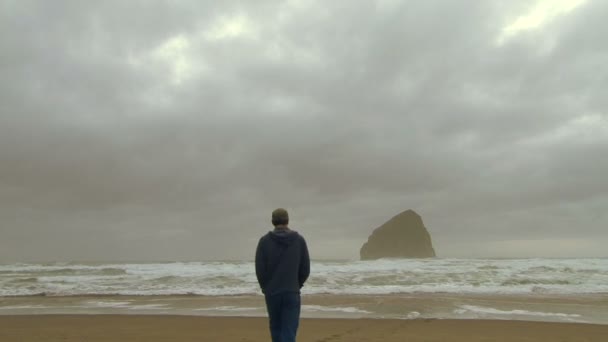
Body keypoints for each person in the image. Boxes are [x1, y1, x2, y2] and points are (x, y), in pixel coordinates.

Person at [255, 208, 310, 342]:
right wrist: (297, 285)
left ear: (273, 221)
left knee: (276, 328)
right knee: (289, 330)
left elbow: (260, 270)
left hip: (272, 292)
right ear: (287, 220)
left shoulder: (264, 241)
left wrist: (265, 288)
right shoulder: (299, 240)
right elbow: (305, 269)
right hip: (291, 291)